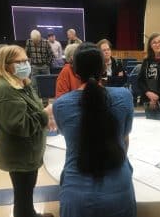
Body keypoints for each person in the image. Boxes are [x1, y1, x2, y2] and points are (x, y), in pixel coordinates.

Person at [53, 42, 136, 217]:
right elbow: (124, 138)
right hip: (119, 188)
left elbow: (68, 136)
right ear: (104, 67)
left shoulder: (60, 105)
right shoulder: (124, 96)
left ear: (75, 71)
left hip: (76, 193)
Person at [0, 45, 56, 217]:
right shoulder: (4, 88)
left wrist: (45, 118)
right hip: (19, 154)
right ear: (6, 64)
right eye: (19, 61)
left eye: (26, 60)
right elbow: (18, 125)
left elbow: (33, 110)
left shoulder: (21, 82)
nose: (25, 64)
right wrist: (44, 115)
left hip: (28, 152)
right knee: (23, 193)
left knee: (25, 192)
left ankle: (30, 213)